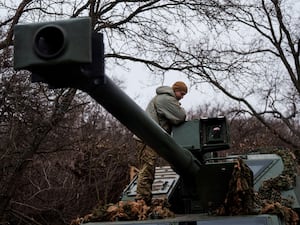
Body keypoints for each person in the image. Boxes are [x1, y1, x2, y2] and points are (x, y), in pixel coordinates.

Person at [135, 81, 188, 205]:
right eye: (182, 93)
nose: (182, 97)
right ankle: (142, 200)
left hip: (145, 137)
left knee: (146, 169)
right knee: (147, 169)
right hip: (148, 138)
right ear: (175, 90)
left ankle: (143, 198)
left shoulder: (162, 98)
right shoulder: (166, 99)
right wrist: (181, 108)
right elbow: (180, 116)